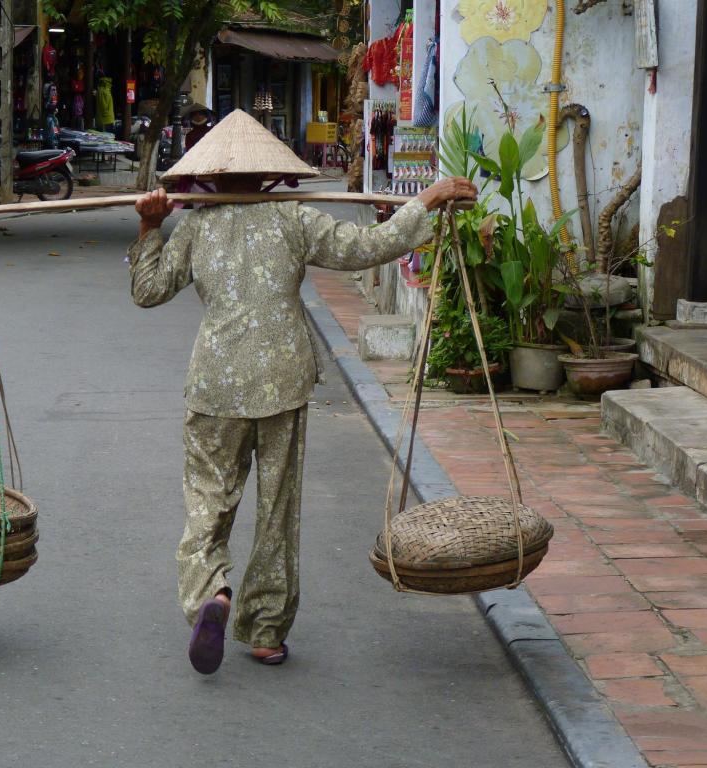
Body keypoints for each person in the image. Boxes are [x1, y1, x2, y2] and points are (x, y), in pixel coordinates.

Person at [128, 110, 477, 674]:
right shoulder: (293, 218)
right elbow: (368, 247)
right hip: (283, 378)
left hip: (216, 382)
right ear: (270, 176)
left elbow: (148, 291)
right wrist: (427, 200)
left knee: (207, 504)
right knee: (277, 509)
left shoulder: (194, 225)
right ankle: (265, 632)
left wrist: (149, 228)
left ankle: (210, 596)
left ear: (210, 176)